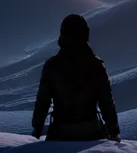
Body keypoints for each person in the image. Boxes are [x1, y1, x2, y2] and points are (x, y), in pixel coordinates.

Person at [31, 14, 121, 142]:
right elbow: (106, 102)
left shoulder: (52, 66)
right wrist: (114, 131)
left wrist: (37, 129)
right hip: (91, 132)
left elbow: (42, 102)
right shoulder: (96, 65)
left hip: (60, 132)